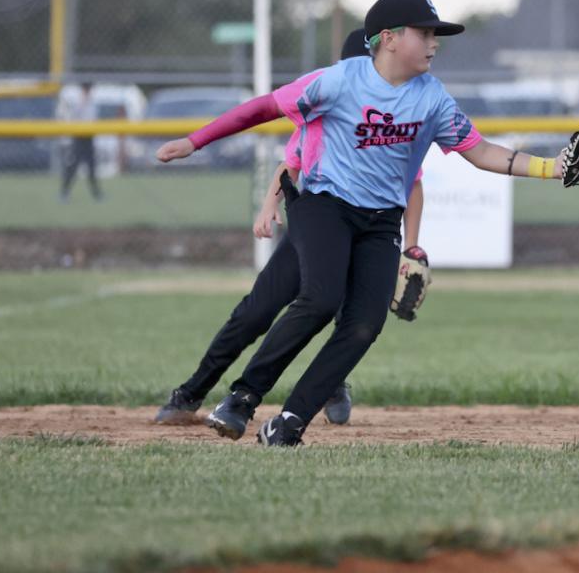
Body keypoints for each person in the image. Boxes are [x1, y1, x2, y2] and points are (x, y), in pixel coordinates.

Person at [156, 0, 566, 447]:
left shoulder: (432, 98)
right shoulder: (338, 81)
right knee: (320, 299)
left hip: (380, 222)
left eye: (436, 35)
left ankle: (289, 422)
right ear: (389, 38)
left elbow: (482, 152)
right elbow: (264, 108)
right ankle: (242, 397)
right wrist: (196, 141)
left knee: (365, 325)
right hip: (323, 205)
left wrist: (552, 167)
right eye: (425, 33)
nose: (434, 43)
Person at [154, 29, 424, 428]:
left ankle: (329, 382)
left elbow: (413, 182)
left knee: (349, 314)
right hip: (318, 223)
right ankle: (192, 391)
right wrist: (269, 204)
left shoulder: (394, 121)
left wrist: (412, 248)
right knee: (257, 312)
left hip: (370, 228)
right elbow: (292, 163)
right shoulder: (329, 106)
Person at [58, 82, 102, 202]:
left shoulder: (92, 103)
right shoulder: (78, 102)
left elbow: (94, 119)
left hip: (89, 138)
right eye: (86, 89)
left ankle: (96, 194)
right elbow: (74, 116)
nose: (88, 92)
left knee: (92, 167)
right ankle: (64, 192)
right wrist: (82, 102)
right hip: (78, 138)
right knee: (73, 166)